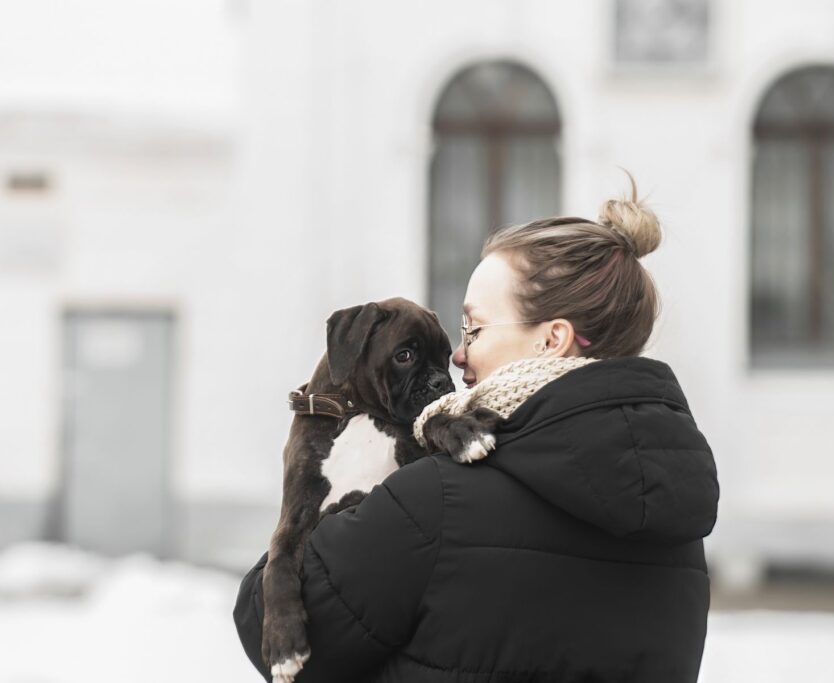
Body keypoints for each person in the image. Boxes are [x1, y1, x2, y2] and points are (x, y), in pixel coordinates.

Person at [233, 176, 719, 683]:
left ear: (553, 340)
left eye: (474, 329)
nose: (460, 356)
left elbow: (263, 626)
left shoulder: (433, 499)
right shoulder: (677, 530)